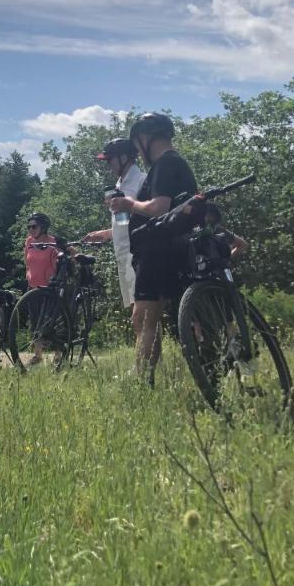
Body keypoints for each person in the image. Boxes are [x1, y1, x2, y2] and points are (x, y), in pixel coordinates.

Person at [107, 113, 197, 386]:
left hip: (158, 250)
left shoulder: (164, 165)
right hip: (177, 246)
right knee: (161, 317)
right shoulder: (179, 164)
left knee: (144, 318)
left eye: (137, 143)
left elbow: (159, 207)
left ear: (145, 138)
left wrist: (128, 205)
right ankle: (206, 366)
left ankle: (142, 381)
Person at [83, 138, 146, 309]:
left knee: (141, 313)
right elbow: (126, 223)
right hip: (123, 254)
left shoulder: (141, 180)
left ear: (123, 157)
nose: (108, 165)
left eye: (110, 160)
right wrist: (106, 234)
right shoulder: (120, 184)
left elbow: (148, 218)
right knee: (137, 311)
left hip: (138, 255)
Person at [23, 212, 59, 364]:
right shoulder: (29, 242)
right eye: (29, 226)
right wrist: (28, 274)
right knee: (35, 321)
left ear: (43, 227)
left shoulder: (53, 243)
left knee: (53, 322)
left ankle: (58, 355)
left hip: (49, 288)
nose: (31, 229)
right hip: (33, 287)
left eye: (34, 226)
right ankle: (38, 356)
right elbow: (26, 260)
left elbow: (57, 264)